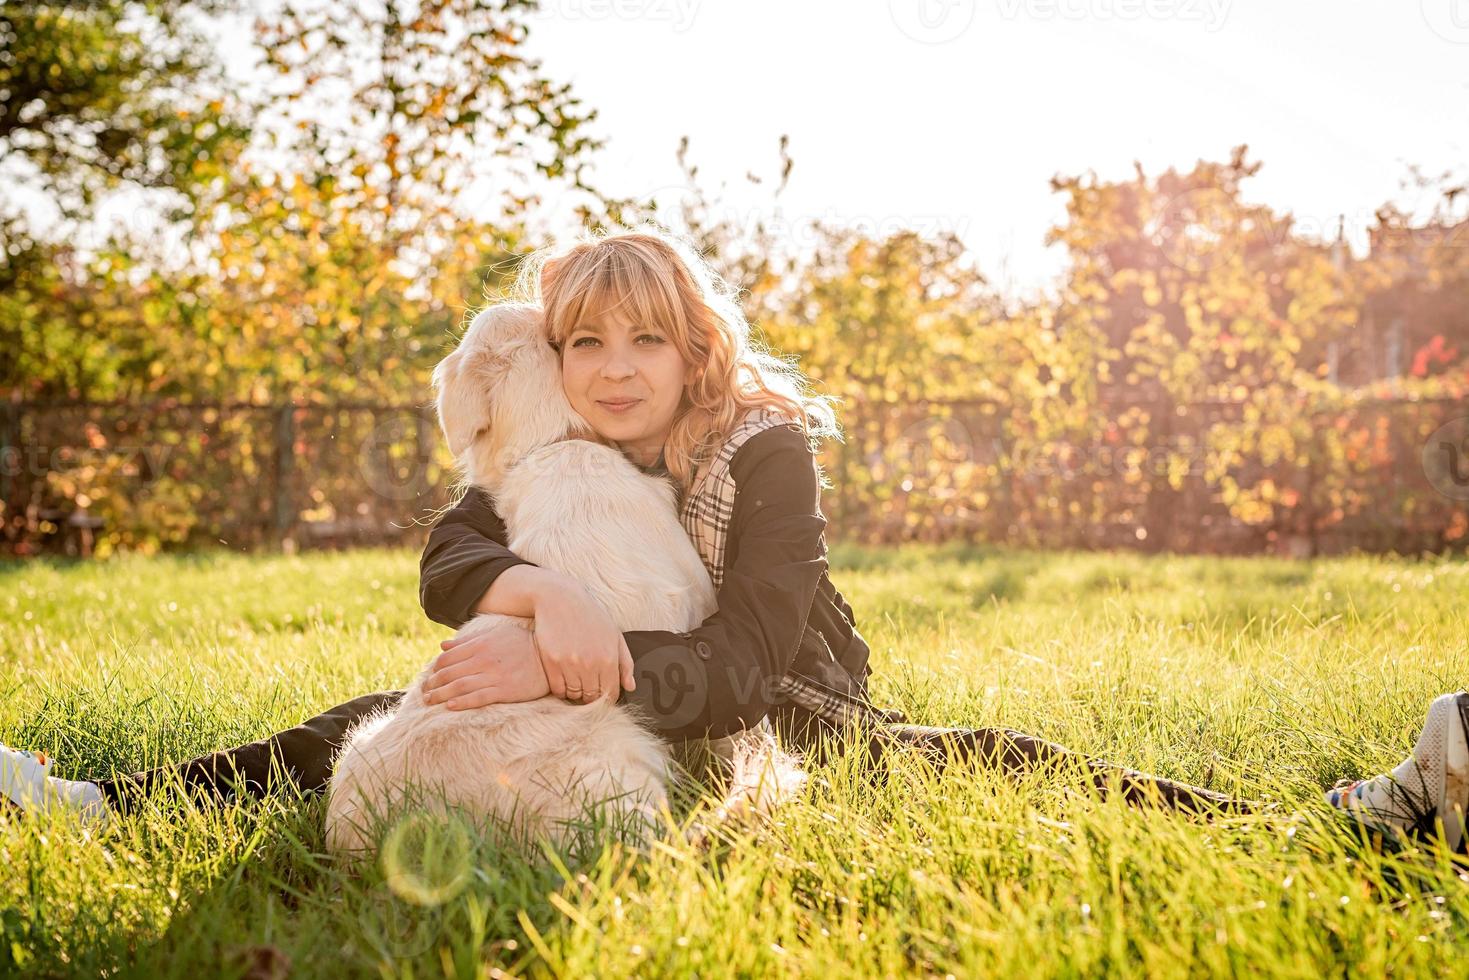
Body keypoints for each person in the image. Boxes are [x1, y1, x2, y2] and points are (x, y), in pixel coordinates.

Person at [3, 227, 1467, 856]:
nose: (620, 365)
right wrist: (528, 598)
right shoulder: (564, 442)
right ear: (558, 359)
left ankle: (1358, 813)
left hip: (784, 702)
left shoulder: (762, 448)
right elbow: (450, 554)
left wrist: (580, 664)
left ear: (693, 339)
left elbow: (759, 657)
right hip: (599, 712)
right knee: (360, 722)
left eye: (650, 336)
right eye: (587, 342)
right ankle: (92, 806)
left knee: (976, 755)